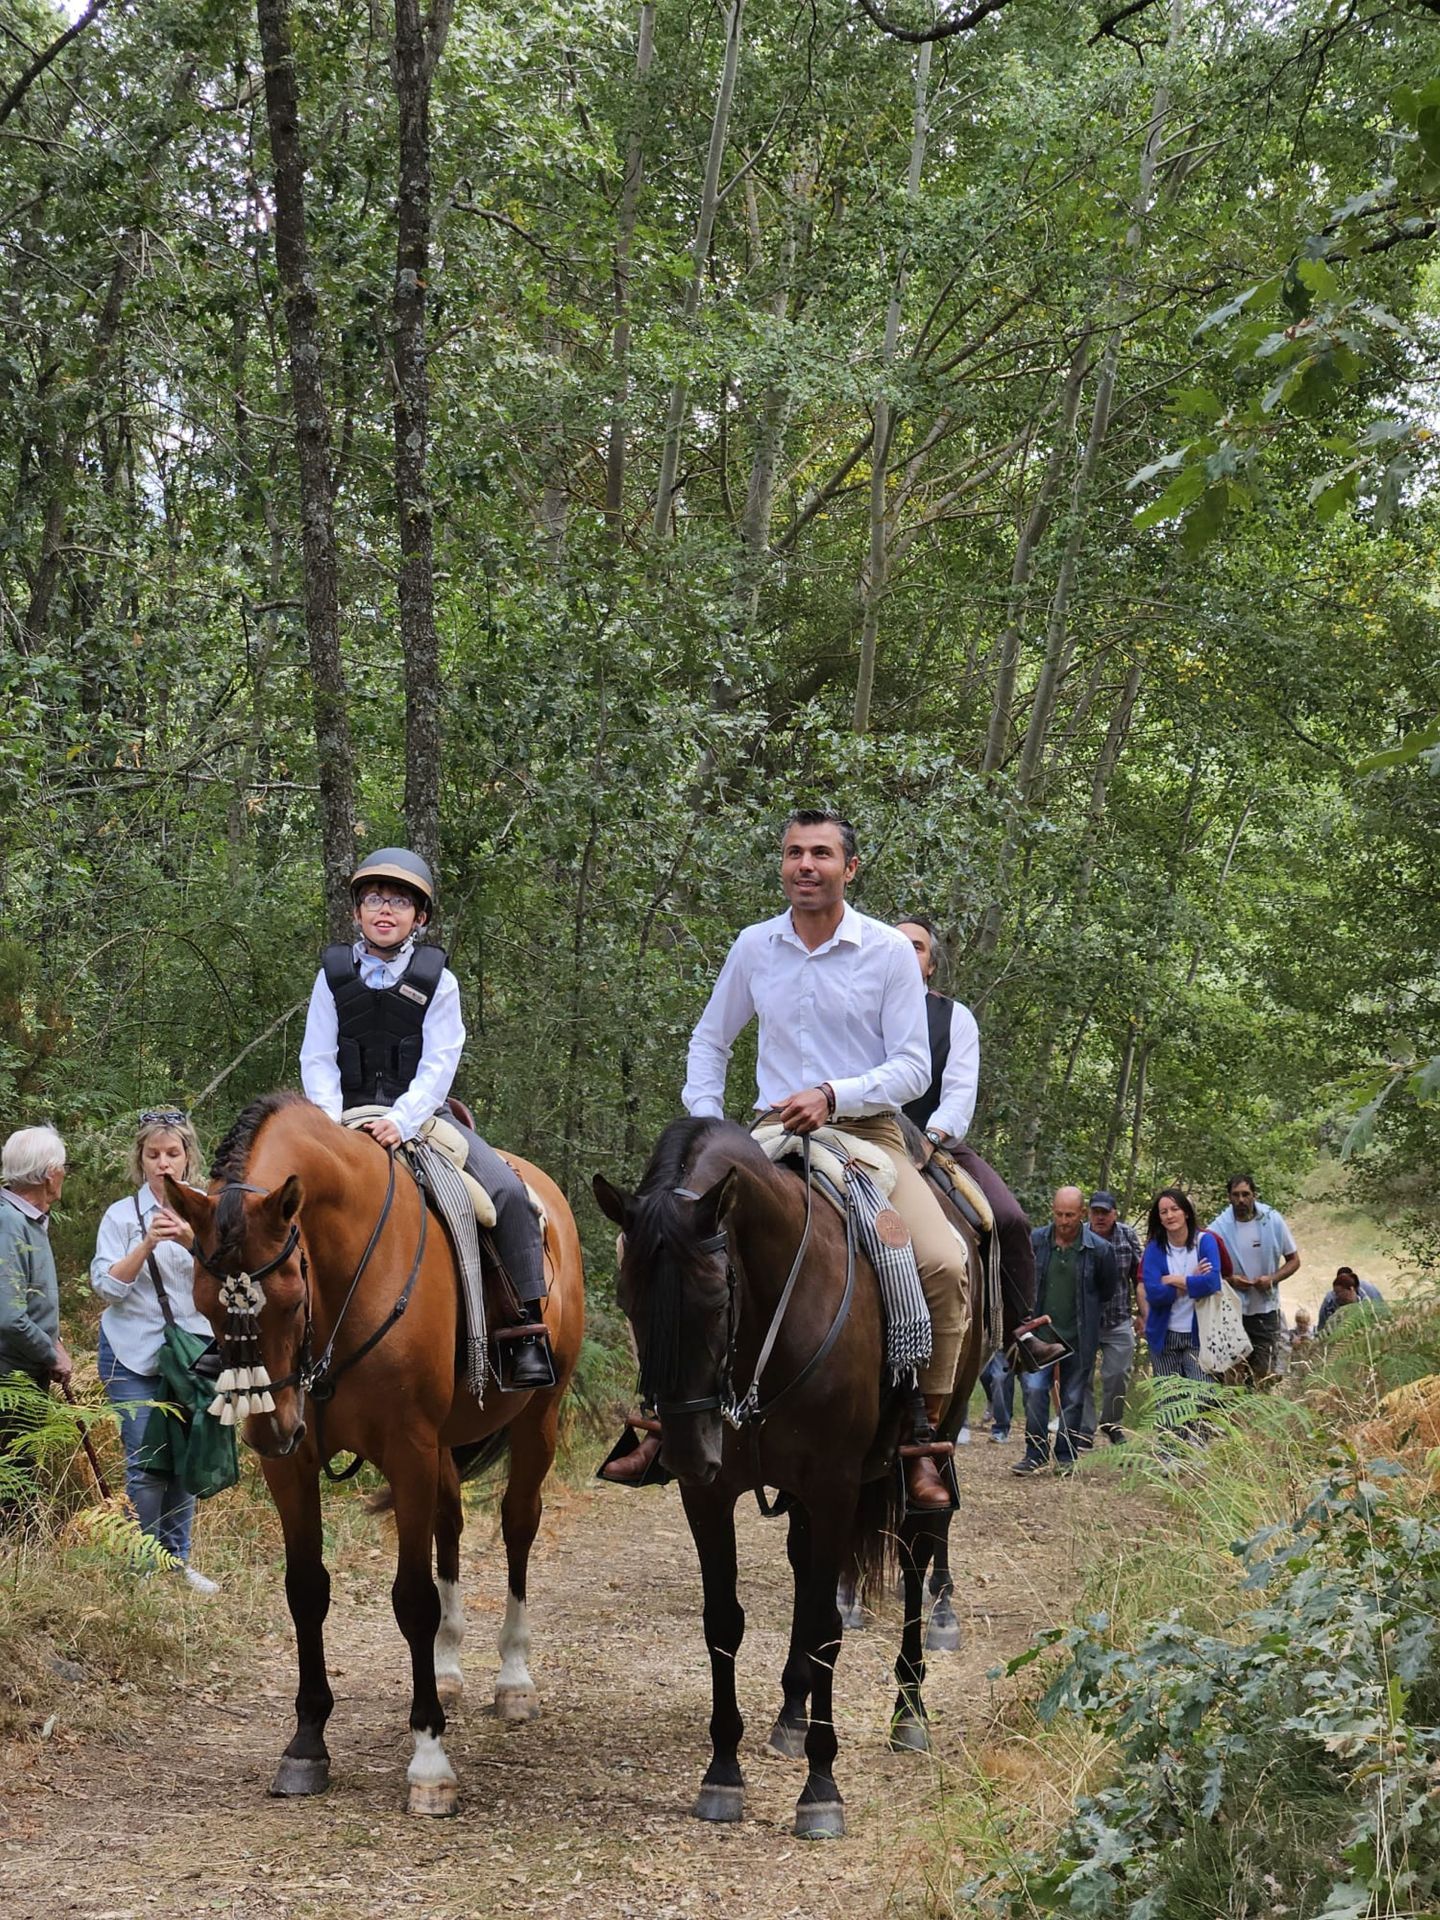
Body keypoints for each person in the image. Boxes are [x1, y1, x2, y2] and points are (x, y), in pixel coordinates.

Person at [609, 809, 964, 1506]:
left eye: (822, 854)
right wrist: (708, 1122)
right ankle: (663, 1411)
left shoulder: (888, 952)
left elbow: (914, 1067)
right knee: (645, 1245)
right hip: (768, 1133)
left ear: (849, 869)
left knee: (944, 1262)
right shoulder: (754, 946)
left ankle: (922, 1435)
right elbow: (711, 1040)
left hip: (868, 1134)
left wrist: (835, 1095)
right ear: (782, 864)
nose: (806, 865)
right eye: (795, 853)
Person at [299, 848, 552, 1388]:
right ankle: (249, 1338)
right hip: (341, 1120)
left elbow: (441, 1060)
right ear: (357, 912)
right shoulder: (332, 975)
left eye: (398, 901)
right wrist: (326, 1125)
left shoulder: (441, 980)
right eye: (373, 899)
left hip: (423, 1119)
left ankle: (524, 1328)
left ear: (421, 916)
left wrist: (403, 1121)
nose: (384, 910)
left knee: (507, 1193)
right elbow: (316, 1057)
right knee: (262, 1196)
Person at [91, 1110, 219, 1591]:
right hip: (132, 1353)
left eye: (172, 1153)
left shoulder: (207, 1208)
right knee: (146, 1464)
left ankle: (177, 1562)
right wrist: (146, 1243)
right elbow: (107, 1288)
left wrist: (193, 1242)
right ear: (140, 1160)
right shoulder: (121, 1215)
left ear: (188, 1158)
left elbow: (232, 1281)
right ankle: (143, 1565)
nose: (163, 1164)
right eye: (153, 1155)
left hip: (194, 1355)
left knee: (185, 1460)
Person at [893, 914, 1037, 1340]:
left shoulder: (954, 1019)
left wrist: (930, 1138)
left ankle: (1020, 1331)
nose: (905, 953)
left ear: (931, 964)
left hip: (933, 1144)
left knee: (1009, 1219)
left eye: (916, 947)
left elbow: (959, 1095)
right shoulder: (855, 1009)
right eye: (896, 945)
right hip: (859, 1138)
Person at [1013, 1187, 1117, 1475]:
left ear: (1081, 1214)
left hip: (1078, 1335)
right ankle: (1034, 1453)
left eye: (1070, 1215)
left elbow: (1106, 1289)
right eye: (1058, 1214)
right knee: (1034, 1392)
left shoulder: (1099, 1250)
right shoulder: (1036, 1241)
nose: (1063, 1220)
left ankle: (1065, 1455)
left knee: (1072, 1398)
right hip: (1040, 1334)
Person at [0, 1126, 73, 1398]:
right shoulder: (9, 1223)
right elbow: (9, 1318)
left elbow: (32, 1303)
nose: (64, 1173)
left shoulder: (26, 1220)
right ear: (50, 1175)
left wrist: (55, 1344)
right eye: (63, 1167)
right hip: (11, 1381)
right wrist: (50, 1354)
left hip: (24, 1374)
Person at [1207, 1173, 1300, 1385]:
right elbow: (1207, 1271)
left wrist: (1272, 1279)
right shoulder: (1217, 1229)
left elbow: (1294, 1260)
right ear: (1229, 1197)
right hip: (1231, 1310)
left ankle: (1258, 1412)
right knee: (1232, 1373)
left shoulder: (1272, 1219)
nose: (1241, 1200)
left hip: (1266, 1308)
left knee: (1262, 1372)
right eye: (1236, 1195)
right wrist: (1231, 1280)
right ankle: (1233, 1415)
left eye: (1246, 1194)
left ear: (1254, 1195)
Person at [1141, 1188, 1223, 1424]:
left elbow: (1212, 1282)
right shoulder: (1154, 1249)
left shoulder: (1205, 1241)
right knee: (1169, 1402)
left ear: (1186, 1212)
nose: (1169, 1215)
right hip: (1164, 1336)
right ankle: (1169, 1453)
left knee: (1202, 1397)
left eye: (1175, 1209)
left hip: (1199, 1335)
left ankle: (1198, 1453)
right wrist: (1190, 1280)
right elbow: (1154, 1294)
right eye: (1163, 1212)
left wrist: (1175, 1279)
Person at [1081, 1189, 1143, 1445]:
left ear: (1114, 1214)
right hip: (1084, 1319)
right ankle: (1084, 1429)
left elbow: (1139, 1276)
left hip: (1118, 1318)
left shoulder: (1127, 1236)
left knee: (1117, 1374)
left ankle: (1111, 1423)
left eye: (1105, 1213)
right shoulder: (1079, 1235)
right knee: (1080, 1376)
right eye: (1096, 1212)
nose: (1100, 1217)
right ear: (1089, 1213)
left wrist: (1142, 1313)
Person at [1317, 1266, 1384, 1331]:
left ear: (1351, 1289)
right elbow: (1322, 1328)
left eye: (1339, 1292)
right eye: (1335, 1293)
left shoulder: (1370, 1293)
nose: (1337, 1296)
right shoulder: (1330, 1301)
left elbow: (1384, 1317)